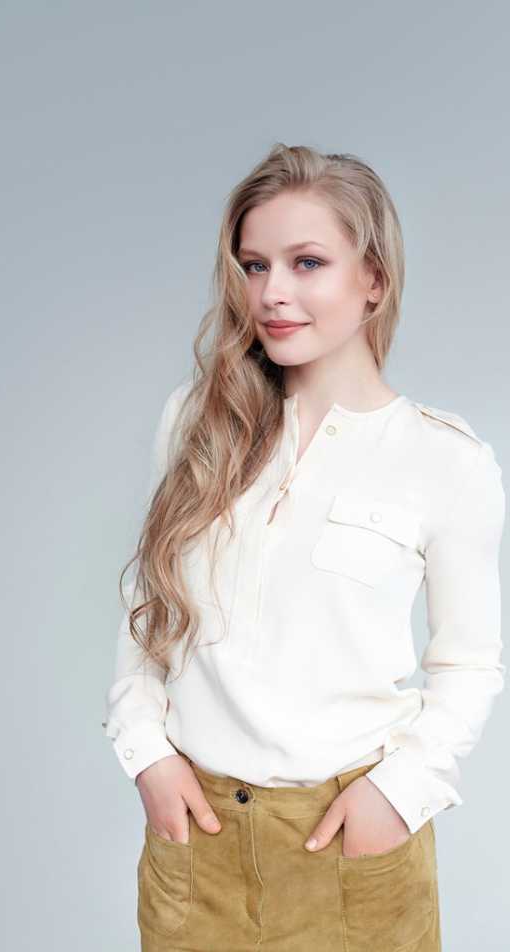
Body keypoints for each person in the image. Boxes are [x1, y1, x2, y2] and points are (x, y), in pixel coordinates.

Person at [102, 143, 506, 951]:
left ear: (374, 280)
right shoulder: (197, 422)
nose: (271, 293)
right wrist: (146, 755)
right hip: (199, 841)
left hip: (352, 844)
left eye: (307, 262)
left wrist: (398, 795)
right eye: (254, 266)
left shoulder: (445, 458)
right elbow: (149, 608)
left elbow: (469, 664)